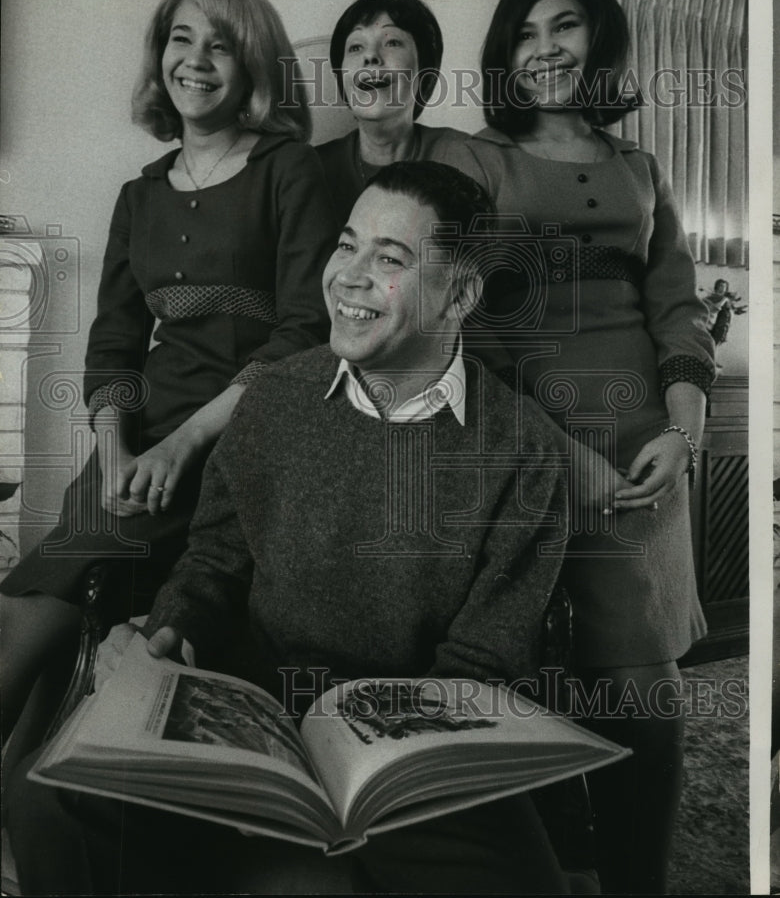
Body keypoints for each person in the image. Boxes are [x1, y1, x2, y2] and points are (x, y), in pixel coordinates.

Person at [6, 162, 580, 896]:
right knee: (46, 794)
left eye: (390, 258)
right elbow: (214, 560)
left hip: (418, 750)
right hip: (258, 717)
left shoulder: (523, 447)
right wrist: (173, 630)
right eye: (347, 246)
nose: (349, 277)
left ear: (461, 294)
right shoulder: (276, 395)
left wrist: (372, 759)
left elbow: (485, 661)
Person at [0, 0, 338, 750]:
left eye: (222, 44)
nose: (197, 59)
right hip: (138, 433)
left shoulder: (288, 169)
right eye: (181, 39)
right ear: (159, 59)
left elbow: (304, 329)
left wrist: (183, 445)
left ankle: (42, 784)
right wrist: (115, 446)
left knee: (61, 601)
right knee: (45, 605)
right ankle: (32, 790)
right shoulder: (138, 195)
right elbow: (115, 339)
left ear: (253, 64)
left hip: (245, 429)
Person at [435, 0, 716, 895]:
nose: (544, 50)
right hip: (521, 441)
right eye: (524, 32)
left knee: (648, 694)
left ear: (598, 38)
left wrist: (685, 420)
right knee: (525, 686)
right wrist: (562, 458)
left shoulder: (640, 166)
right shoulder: (471, 160)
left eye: (563, 27)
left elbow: (674, 303)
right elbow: (456, 326)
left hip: (645, 446)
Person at [315, 0, 468, 224]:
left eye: (392, 42)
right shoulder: (309, 170)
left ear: (425, 72)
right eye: (355, 47)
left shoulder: (470, 159)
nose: (370, 56)